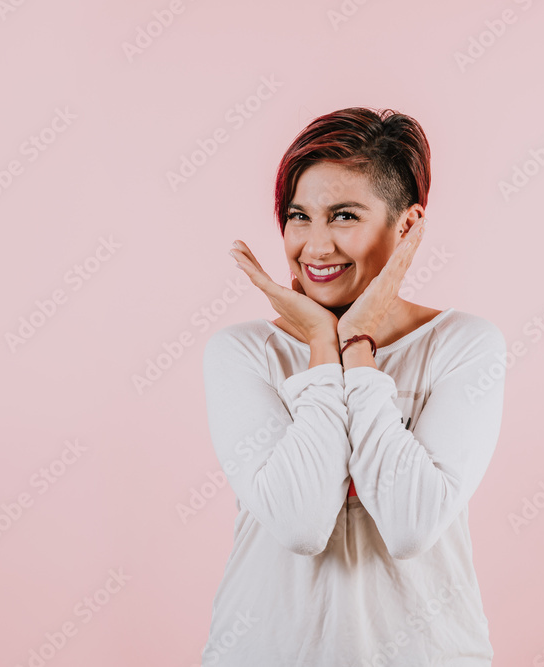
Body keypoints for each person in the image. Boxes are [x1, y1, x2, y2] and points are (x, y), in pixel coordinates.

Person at [201, 107, 507, 666]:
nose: (315, 247)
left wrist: (356, 345)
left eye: (343, 216)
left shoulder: (463, 345)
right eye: (299, 216)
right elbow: (300, 522)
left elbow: (412, 526)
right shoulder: (243, 352)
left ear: (407, 226)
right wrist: (323, 346)